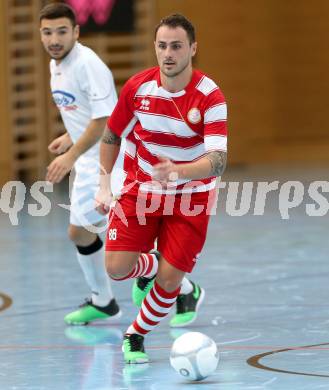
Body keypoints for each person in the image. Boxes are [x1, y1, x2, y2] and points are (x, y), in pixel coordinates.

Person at [96, 13, 228, 364]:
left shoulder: (209, 96)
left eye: (176, 46)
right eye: (162, 46)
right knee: (116, 268)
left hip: (192, 198)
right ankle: (154, 262)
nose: (168, 53)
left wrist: (180, 171)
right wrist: (103, 185)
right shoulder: (138, 88)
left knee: (169, 282)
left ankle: (135, 335)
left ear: (192, 49)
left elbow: (217, 160)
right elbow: (111, 135)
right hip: (141, 192)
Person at [39, 3, 121, 325]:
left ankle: (182, 288)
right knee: (80, 232)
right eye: (47, 32)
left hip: (114, 158)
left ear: (76, 32)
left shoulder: (88, 64)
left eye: (62, 31)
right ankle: (104, 301)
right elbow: (85, 112)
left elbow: (106, 119)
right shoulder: (54, 65)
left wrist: (70, 156)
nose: (54, 39)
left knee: (130, 239)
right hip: (88, 158)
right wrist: (70, 136)